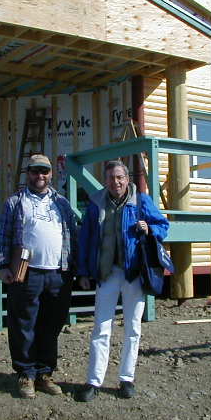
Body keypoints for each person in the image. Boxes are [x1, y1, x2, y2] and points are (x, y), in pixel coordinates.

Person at [75, 160, 169, 402]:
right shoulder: (96, 203)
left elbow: (163, 225)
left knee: (133, 328)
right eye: (110, 177)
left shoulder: (141, 201)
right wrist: (83, 272)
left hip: (133, 273)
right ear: (105, 180)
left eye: (119, 177)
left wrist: (150, 228)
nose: (115, 182)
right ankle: (94, 381)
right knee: (101, 328)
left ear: (127, 179)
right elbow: (85, 238)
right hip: (106, 273)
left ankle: (127, 379)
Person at [0, 154, 78, 399]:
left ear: (51, 174)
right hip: (26, 272)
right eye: (35, 171)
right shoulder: (15, 202)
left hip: (58, 273)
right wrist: (3, 265)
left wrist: (76, 268)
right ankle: (25, 374)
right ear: (28, 173)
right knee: (23, 324)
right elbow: (4, 236)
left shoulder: (62, 203)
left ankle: (44, 373)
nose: (40, 175)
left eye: (44, 171)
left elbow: (72, 235)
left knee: (51, 325)